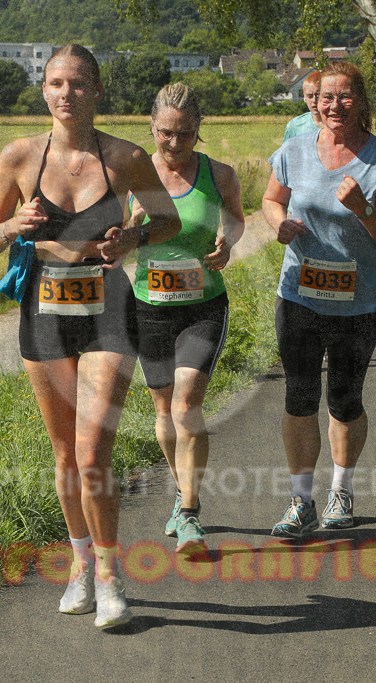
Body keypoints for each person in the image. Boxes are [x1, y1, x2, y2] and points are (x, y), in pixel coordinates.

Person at [0, 44, 180, 629]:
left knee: (93, 453)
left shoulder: (126, 158)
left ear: (98, 91)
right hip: (43, 315)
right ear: (44, 91)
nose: (67, 94)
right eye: (57, 83)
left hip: (108, 312)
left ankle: (112, 579)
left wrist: (135, 239)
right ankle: (81, 565)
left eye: (79, 83)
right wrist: (13, 225)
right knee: (65, 454)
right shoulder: (18, 158)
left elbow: (168, 219)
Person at [262, 61, 376, 537]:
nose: (335, 106)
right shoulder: (293, 150)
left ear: (361, 102)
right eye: (327, 97)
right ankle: (300, 502)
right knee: (299, 396)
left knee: (344, 400)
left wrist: (364, 209)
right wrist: (277, 223)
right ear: (314, 101)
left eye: (345, 97)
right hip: (299, 294)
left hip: (359, 301)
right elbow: (271, 199)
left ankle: (341, 491)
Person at [128, 83, 245, 553]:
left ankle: (192, 514)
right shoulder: (134, 175)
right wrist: (129, 229)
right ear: (152, 128)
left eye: (185, 135)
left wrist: (227, 240)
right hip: (149, 305)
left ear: (199, 130)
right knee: (163, 410)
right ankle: (182, 495)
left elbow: (236, 217)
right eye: (165, 134)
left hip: (203, 304)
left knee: (186, 404)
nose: (174, 145)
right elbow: (112, 235)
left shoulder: (220, 174)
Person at [283, 71, 323, 142]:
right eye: (310, 96)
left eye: (318, 95)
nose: (314, 100)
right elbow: (287, 152)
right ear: (304, 97)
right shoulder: (294, 126)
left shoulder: (338, 125)